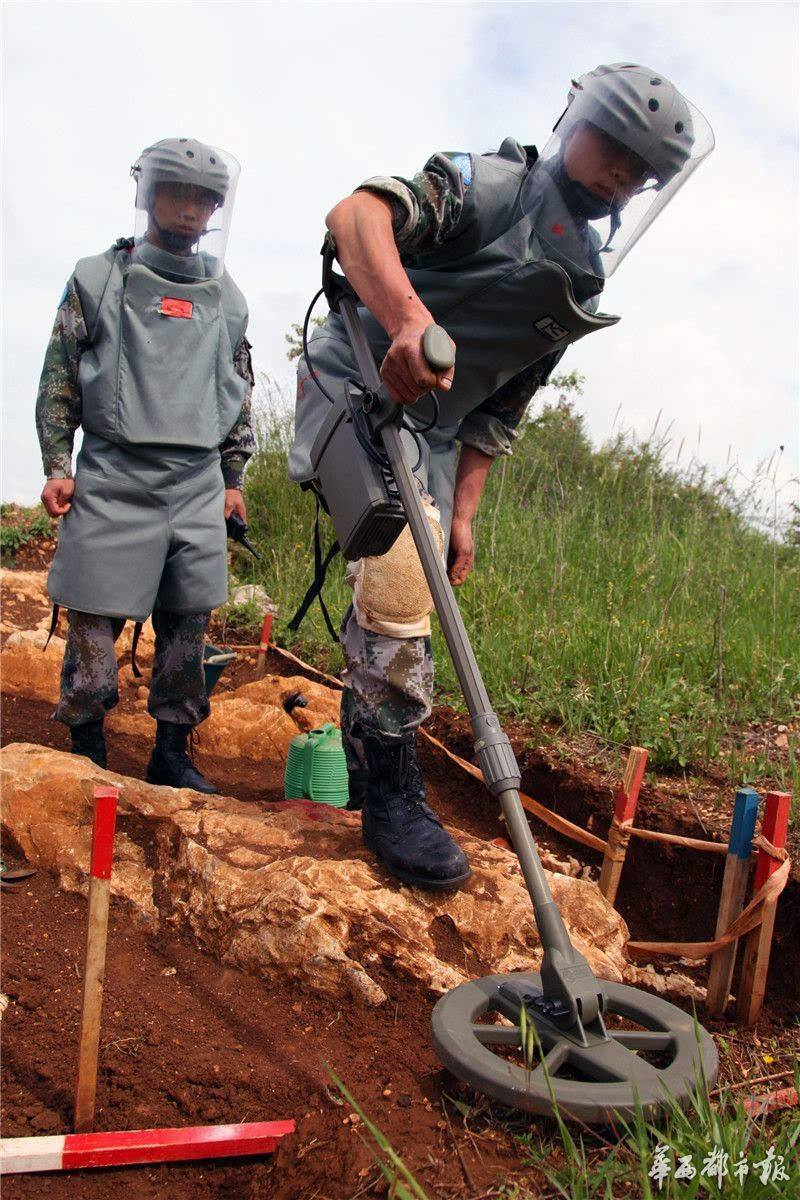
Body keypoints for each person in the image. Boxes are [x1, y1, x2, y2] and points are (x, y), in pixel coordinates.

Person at [289, 64, 714, 891]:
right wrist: (409, 319)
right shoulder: (492, 187)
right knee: (402, 573)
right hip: (357, 375)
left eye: (640, 170)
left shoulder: (582, 272)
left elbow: (502, 404)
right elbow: (356, 217)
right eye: (614, 149)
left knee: (410, 579)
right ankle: (392, 794)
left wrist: (468, 513)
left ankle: (367, 750)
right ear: (575, 124)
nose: (622, 176)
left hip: (439, 427)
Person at [36, 137, 255, 793]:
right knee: (94, 647)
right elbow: (59, 378)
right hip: (111, 479)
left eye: (204, 199)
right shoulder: (98, 278)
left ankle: (171, 753)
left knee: (188, 629)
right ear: (148, 195)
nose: (189, 210)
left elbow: (236, 390)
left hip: (194, 487)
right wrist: (56, 463)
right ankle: (87, 749)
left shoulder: (226, 297)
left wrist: (234, 477)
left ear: (217, 210)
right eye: (177, 192)